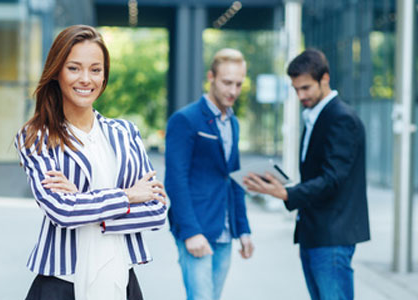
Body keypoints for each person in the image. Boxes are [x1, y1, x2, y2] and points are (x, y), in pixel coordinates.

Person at [15, 24, 167, 300]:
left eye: (95, 70)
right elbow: (61, 211)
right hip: (62, 283)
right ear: (56, 72)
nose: (86, 79)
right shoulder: (37, 136)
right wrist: (128, 196)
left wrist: (87, 206)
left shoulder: (125, 133)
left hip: (121, 278)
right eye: (74, 68)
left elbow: (156, 210)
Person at [243, 49, 370, 300]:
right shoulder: (318, 115)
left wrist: (287, 193)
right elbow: (321, 174)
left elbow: (333, 179)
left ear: (325, 78)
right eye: (296, 89)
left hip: (332, 236)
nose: (301, 95)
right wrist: (280, 185)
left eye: (306, 88)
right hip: (315, 232)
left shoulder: (341, 118)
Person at [165, 48, 254, 300]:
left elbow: (234, 178)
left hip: (225, 229)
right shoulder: (185, 119)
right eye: (227, 82)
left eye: (238, 84)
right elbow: (175, 180)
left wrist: (243, 229)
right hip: (197, 228)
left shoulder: (233, 122)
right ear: (211, 77)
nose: (233, 91)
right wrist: (191, 232)